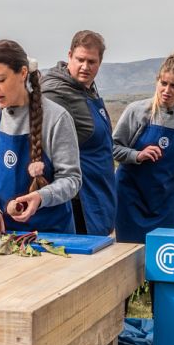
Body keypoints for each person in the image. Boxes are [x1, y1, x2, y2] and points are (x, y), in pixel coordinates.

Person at [0, 40, 81, 234]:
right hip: (1, 235)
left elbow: (71, 179)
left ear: (22, 73)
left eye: (0, 79)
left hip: (52, 234)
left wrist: (41, 197)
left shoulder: (56, 118)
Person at [112, 50, 174, 243]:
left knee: (164, 257)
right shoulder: (136, 111)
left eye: (173, 86)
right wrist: (137, 155)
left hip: (164, 201)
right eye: (163, 83)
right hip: (131, 198)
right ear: (157, 81)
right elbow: (112, 147)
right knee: (129, 258)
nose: (167, 90)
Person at [41, 31, 115, 236]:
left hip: (99, 189)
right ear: (69, 56)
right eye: (80, 60)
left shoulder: (88, 88)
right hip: (79, 201)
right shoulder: (54, 93)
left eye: (92, 61)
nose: (85, 67)